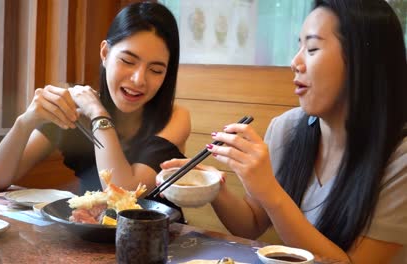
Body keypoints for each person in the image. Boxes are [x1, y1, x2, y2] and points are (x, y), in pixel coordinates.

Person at [162, 0, 407, 262]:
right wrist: (214, 187)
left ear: (363, 60)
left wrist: (270, 191)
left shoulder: (399, 158)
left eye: (312, 49)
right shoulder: (288, 128)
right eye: (298, 46)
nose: (295, 62)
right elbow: (251, 223)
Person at [0, 2, 190, 216]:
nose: (139, 80)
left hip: (158, 241)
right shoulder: (75, 107)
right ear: (105, 53)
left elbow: (123, 193)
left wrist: (98, 114)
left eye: (156, 70)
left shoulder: (176, 117)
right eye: (128, 61)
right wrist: (26, 121)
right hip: (89, 237)